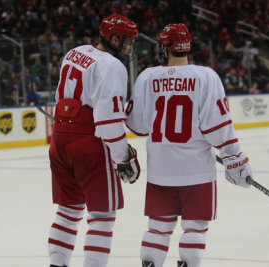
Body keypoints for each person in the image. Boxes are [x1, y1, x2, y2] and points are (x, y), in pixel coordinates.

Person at [125, 24, 254, 267]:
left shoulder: (147, 76)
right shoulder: (205, 76)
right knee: (195, 227)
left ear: (167, 46)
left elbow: (138, 126)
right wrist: (233, 157)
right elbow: (218, 126)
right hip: (197, 172)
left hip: (160, 172)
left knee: (158, 227)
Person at [47, 14, 141, 267]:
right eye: (127, 41)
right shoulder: (111, 66)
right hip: (89, 144)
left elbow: (62, 96)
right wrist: (123, 157)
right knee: (101, 216)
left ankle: (57, 264)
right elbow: (108, 121)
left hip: (59, 139)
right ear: (113, 38)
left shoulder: (74, 52)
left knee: (68, 211)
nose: (130, 47)